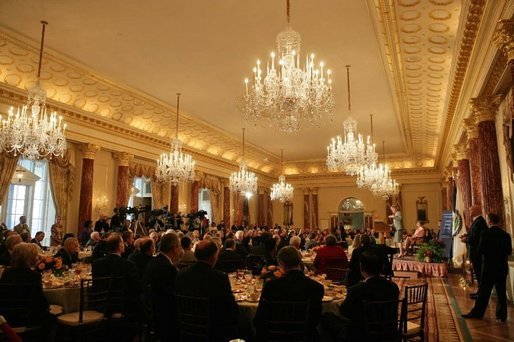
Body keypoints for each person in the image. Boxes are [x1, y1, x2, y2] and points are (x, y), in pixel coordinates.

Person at [323, 249, 400, 341]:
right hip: (389, 332)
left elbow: (344, 312)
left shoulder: (356, 290)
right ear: (382, 267)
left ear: (361, 268)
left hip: (363, 334)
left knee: (326, 318)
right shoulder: (393, 287)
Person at [254, 246, 324, 340]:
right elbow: (315, 319)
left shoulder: (271, 286)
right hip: (304, 336)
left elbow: (259, 319)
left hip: (274, 336)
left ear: (282, 264)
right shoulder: (316, 287)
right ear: (300, 261)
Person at [175, 240, 238, 341]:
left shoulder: (181, 274)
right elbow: (230, 308)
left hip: (185, 328)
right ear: (213, 257)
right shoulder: (219, 278)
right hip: (212, 332)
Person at [462, 213, 512, 322]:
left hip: (488, 267)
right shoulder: (506, 235)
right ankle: (502, 315)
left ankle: (477, 313)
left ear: (489, 221)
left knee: (484, 292)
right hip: (501, 268)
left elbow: (481, 250)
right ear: (498, 221)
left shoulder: (485, 233)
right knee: (501, 292)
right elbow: (508, 251)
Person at [0, 243, 53, 340]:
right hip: (25, 319)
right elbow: (40, 302)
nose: (37, 258)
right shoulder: (33, 275)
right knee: (52, 318)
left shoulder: (6, 273)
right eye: (36, 256)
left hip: (5, 318)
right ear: (30, 258)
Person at [92, 234, 141, 324]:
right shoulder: (128, 265)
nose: (124, 245)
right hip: (121, 305)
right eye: (122, 243)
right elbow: (134, 287)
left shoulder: (96, 264)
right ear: (119, 246)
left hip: (100, 304)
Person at [143, 232, 183, 342]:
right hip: (166, 318)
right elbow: (176, 294)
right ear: (174, 248)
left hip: (153, 312)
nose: (180, 250)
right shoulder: (168, 268)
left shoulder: (154, 261)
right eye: (179, 246)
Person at [460, 205, 487, 298]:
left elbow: (475, 237)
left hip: (477, 253)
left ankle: (481, 294)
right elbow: (473, 234)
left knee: (479, 274)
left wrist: (466, 239)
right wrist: (466, 236)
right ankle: (480, 292)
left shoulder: (479, 221)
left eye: (471, 210)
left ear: (476, 211)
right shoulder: (477, 221)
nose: (469, 211)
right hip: (475, 252)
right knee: (478, 273)